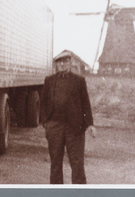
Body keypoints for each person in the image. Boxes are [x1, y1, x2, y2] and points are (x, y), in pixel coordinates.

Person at [40, 51, 96, 184]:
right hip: (54, 127)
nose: (63, 64)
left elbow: (85, 103)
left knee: (77, 164)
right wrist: (46, 123)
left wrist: (90, 124)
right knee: (55, 164)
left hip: (75, 128)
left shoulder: (79, 81)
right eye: (60, 61)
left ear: (70, 63)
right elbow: (43, 103)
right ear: (56, 64)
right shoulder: (49, 80)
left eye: (65, 61)